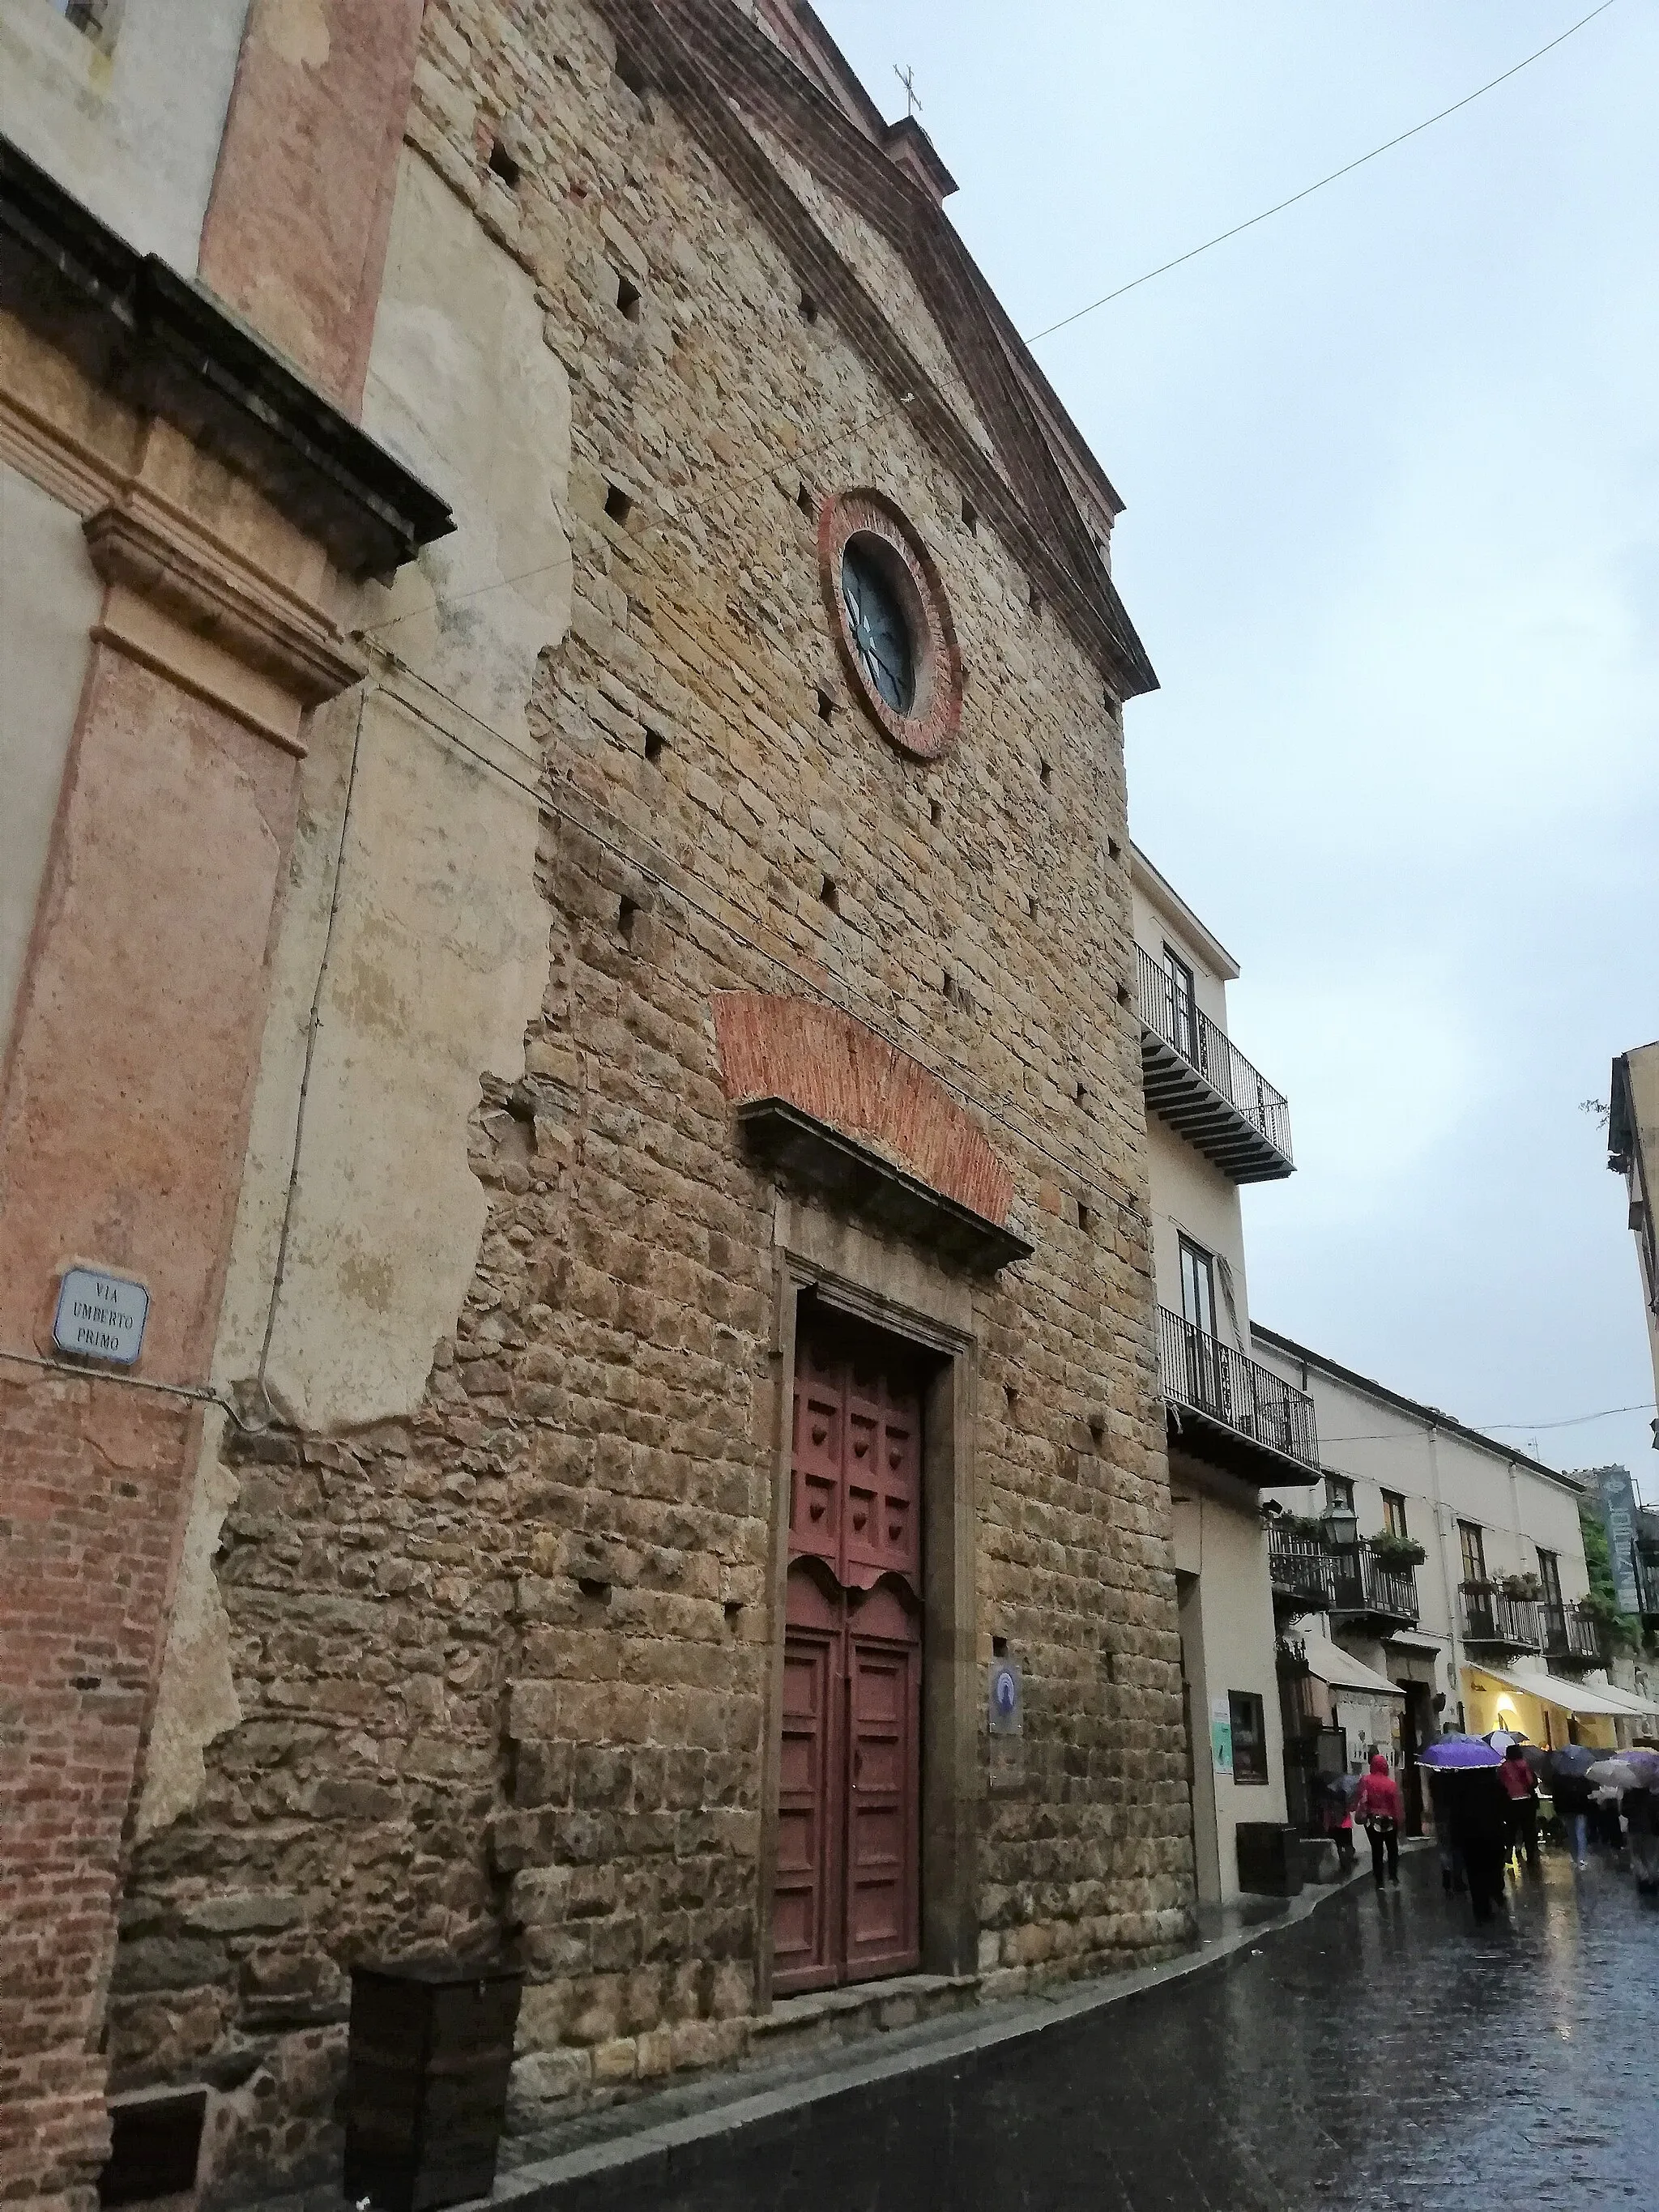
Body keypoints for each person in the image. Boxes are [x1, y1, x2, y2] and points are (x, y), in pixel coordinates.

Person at [1435, 1764, 1510, 1923]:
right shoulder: (1495, 1786)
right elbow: (1505, 1807)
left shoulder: (1460, 1788)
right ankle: (1496, 1890)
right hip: (1493, 1835)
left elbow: (1455, 1814)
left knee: (1474, 1873)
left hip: (1469, 1837)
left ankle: (1481, 1909)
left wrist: (1456, 1837)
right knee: (1494, 1867)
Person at [1354, 1751, 1404, 1892]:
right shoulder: (1391, 1784)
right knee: (1393, 1849)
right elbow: (1396, 1805)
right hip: (1389, 1821)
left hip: (1372, 1820)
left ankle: (1379, 1882)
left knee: (1377, 1851)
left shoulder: (1365, 1781)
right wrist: (1399, 1821)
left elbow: (1361, 1797)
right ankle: (1393, 1876)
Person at [1496, 1742, 1540, 1872]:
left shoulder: (1503, 1767)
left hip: (1511, 1803)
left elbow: (1500, 1785)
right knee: (1528, 1829)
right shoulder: (1525, 1764)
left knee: (1511, 1829)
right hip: (1527, 1801)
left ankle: (1509, 1852)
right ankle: (1531, 1856)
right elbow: (1533, 1782)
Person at [1552, 1761, 1593, 1869]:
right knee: (1580, 1833)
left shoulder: (1559, 1778)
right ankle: (1582, 1859)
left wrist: (1558, 1810)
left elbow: (1556, 1795)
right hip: (1580, 1809)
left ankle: (1575, 1858)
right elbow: (1588, 1791)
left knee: (1572, 1834)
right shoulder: (1582, 1777)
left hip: (1566, 1810)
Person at [1627, 1781, 1659, 1896]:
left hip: (1634, 1829)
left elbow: (1624, 1812)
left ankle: (1643, 1876)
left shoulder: (1629, 1795)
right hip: (1651, 1830)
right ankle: (1652, 1879)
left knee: (1636, 1855)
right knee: (1651, 1856)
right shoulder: (1652, 1796)